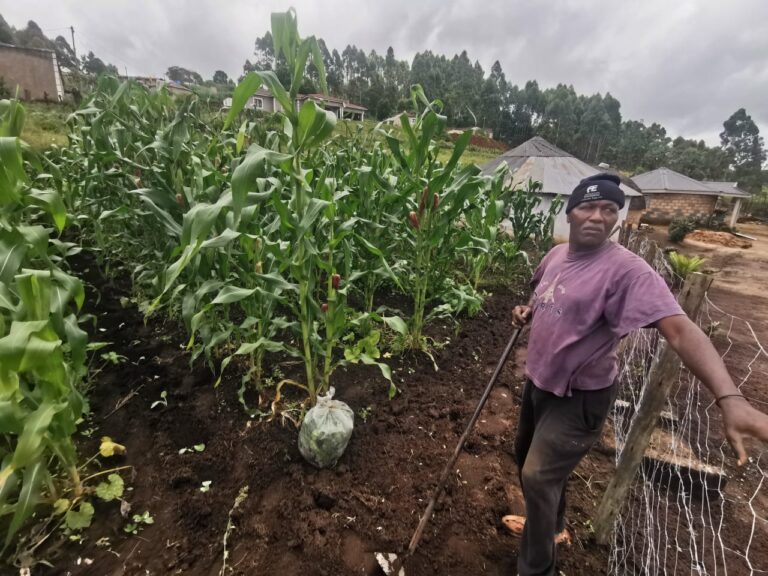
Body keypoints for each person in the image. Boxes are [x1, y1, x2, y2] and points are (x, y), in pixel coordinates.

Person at [503, 173, 768, 576]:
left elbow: (680, 331)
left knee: (538, 475)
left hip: (580, 396)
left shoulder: (628, 272)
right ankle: (552, 526)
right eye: (587, 207)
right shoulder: (556, 256)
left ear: (617, 219)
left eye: (609, 209)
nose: (597, 216)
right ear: (570, 213)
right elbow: (544, 296)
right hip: (539, 382)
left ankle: (536, 568)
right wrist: (526, 311)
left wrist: (730, 398)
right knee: (528, 459)